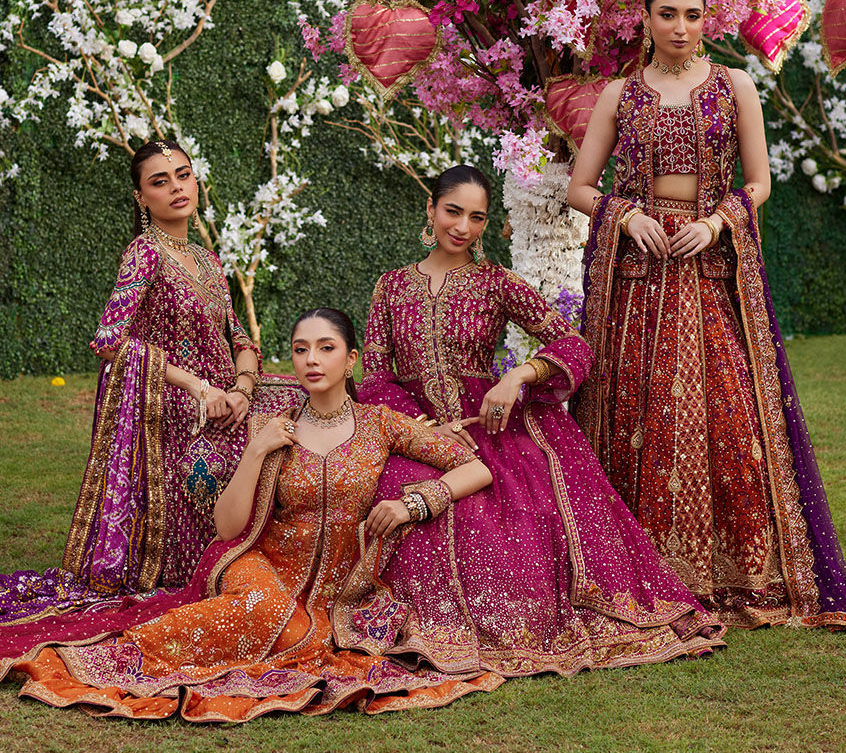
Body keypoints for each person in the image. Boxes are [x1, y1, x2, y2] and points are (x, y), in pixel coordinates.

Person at [1, 309, 501, 721]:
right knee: (267, 611)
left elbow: (474, 467)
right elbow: (227, 528)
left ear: (351, 360)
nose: (311, 359)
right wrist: (256, 450)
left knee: (301, 631)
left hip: (335, 593)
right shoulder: (274, 424)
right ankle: (119, 654)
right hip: (259, 564)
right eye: (301, 349)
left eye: (326, 348)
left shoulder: (380, 425)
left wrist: (415, 502)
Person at [568, 0, 846, 629]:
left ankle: (739, 572)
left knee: (730, 411)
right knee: (636, 412)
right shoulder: (620, 94)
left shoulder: (735, 86)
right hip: (638, 282)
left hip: (709, 271)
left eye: (693, 15)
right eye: (668, 14)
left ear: (707, 18)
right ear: (646, 18)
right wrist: (624, 215)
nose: (681, 27)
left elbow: (759, 182)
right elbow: (579, 187)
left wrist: (715, 223)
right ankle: (640, 569)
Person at [357, 164, 725, 679]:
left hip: (488, 427)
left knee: (509, 519)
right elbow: (375, 376)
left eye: (477, 218)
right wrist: (419, 429)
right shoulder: (391, 287)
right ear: (431, 209)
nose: (462, 227)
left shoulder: (497, 282)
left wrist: (517, 377)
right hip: (414, 431)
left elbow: (574, 344)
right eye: (453, 212)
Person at [0, 139, 298, 631]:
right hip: (174, 411)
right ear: (141, 198)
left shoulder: (208, 260)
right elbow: (108, 340)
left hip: (228, 397)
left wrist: (242, 389)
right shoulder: (145, 254)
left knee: (301, 402)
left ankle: (306, 553)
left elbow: (241, 339)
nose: (177, 188)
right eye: (160, 182)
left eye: (183, 175)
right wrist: (200, 388)